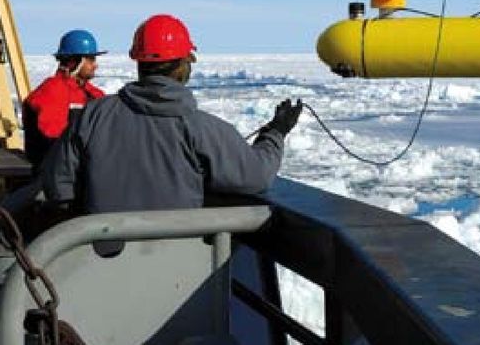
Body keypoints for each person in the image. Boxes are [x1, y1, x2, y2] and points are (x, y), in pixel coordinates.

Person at [41, 13, 301, 215]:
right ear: (182, 66)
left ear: (139, 63)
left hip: (98, 263)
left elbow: (58, 185)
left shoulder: (93, 116)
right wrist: (275, 133)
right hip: (182, 273)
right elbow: (256, 176)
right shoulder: (204, 130)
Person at [22, 29, 107, 165]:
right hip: (55, 172)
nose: (95, 65)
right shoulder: (51, 92)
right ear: (75, 61)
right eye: (91, 59)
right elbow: (56, 141)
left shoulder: (94, 94)